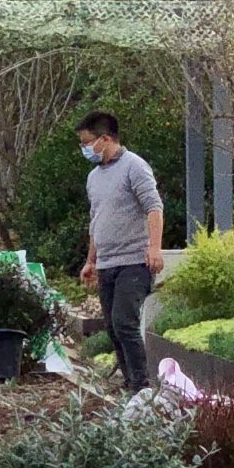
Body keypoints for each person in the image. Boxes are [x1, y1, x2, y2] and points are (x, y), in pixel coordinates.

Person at [75, 111, 164, 393]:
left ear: (105, 138)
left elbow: (154, 207)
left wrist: (154, 247)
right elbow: (96, 219)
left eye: (87, 142)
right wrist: (91, 260)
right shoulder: (93, 177)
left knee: (124, 322)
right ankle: (129, 383)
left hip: (134, 261)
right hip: (106, 263)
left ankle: (142, 386)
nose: (84, 148)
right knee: (113, 329)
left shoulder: (134, 166)